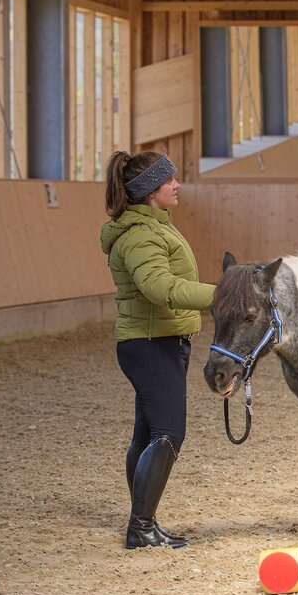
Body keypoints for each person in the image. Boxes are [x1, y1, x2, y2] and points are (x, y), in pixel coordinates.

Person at [100, 151, 216, 549]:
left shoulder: (154, 227)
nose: (176, 185)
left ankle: (144, 521)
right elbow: (161, 288)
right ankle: (141, 527)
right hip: (151, 344)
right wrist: (225, 296)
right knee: (168, 433)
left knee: (148, 433)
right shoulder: (140, 236)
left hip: (158, 341)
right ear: (150, 191)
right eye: (169, 181)